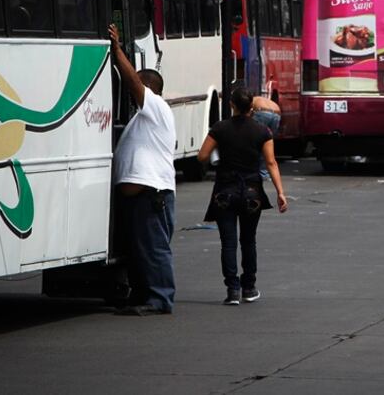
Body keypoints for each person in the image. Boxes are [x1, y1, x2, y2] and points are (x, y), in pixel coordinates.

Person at [197, 84, 288, 306]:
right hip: (251, 192)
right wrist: (280, 192)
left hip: (225, 191)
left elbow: (202, 156)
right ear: (252, 107)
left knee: (228, 242)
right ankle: (249, 287)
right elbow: (271, 163)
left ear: (232, 105)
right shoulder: (262, 131)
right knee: (248, 240)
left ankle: (232, 290)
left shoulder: (220, 128)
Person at [109, 23, 177, 316]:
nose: (131, 89)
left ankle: (160, 299)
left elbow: (134, 84)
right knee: (138, 249)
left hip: (152, 196)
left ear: (148, 89)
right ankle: (141, 295)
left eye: (138, 85)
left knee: (153, 248)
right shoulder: (142, 118)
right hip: (139, 198)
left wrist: (117, 51)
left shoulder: (157, 107)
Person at [251, 94, 282, 179]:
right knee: (267, 144)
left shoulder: (251, 100)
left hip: (262, 112)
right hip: (277, 114)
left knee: (258, 143)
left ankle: (259, 172)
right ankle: (265, 172)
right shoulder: (264, 100)